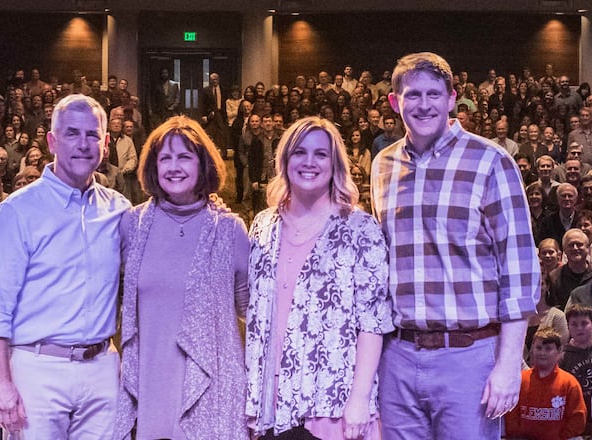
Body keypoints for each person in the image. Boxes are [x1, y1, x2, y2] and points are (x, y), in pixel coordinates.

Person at [371, 52, 540, 439]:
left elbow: (518, 269)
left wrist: (509, 363)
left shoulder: (491, 161)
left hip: (469, 356)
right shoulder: (383, 165)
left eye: (434, 94)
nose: (424, 104)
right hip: (398, 356)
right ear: (395, 102)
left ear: (452, 99)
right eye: (412, 95)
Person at [0, 94, 131, 438]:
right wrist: (0, 383)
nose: (83, 144)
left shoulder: (119, 209)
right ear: (52, 141)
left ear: (105, 143)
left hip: (102, 369)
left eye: (93, 135)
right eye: (72, 133)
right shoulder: (16, 212)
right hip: (37, 371)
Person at [246, 117, 392, 439]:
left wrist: (359, 399)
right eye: (299, 152)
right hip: (272, 404)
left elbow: (372, 323)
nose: (309, 162)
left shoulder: (360, 229)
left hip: (333, 405)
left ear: (335, 163)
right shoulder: (262, 225)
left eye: (321, 154)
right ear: (284, 160)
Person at [113, 115, 247, 438]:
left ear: (203, 164)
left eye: (185, 157)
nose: (174, 166)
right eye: (166, 158)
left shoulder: (230, 231)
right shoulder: (133, 226)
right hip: (152, 393)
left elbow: (253, 315)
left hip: (212, 395)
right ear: (153, 167)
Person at [505, 328, 587, 440]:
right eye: (539, 348)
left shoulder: (569, 383)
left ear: (559, 352)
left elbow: (578, 419)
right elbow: (511, 416)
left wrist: (560, 437)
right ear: (532, 350)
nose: (542, 353)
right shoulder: (520, 380)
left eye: (548, 349)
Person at [559, 304, 592, 438]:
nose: (579, 328)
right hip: (575, 419)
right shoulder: (563, 356)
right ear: (568, 327)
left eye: (584, 323)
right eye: (574, 324)